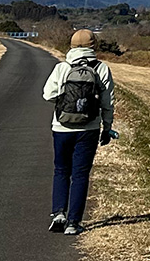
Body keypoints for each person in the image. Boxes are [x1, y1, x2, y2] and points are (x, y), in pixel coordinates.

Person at [42, 29, 116, 236]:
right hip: (89, 128)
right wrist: (107, 127)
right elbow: (107, 103)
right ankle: (74, 222)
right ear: (94, 46)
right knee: (81, 174)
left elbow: (48, 94)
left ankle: (58, 214)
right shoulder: (101, 68)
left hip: (62, 126)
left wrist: (65, 98)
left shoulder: (62, 67)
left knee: (61, 170)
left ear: (72, 46)